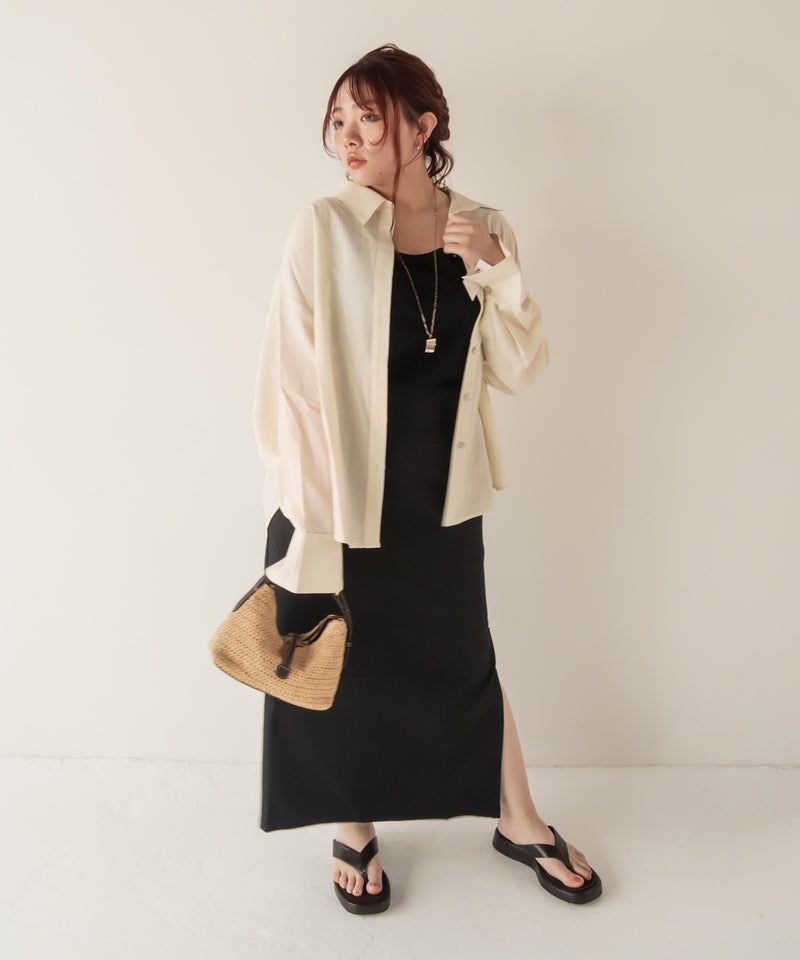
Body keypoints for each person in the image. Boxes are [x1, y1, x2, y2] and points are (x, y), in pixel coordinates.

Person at [252, 43, 602, 913]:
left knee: (465, 659)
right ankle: (354, 821)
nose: (346, 137)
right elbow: (290, 384)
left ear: (422, 126)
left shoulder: (482, 226)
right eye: (337, 120)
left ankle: (517, 818)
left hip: (441, 496)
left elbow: (520, 368)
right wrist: (310, 513)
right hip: (340, 494)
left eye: (367, 118)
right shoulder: (323, 227)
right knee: (343, 658)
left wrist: (493, 267)